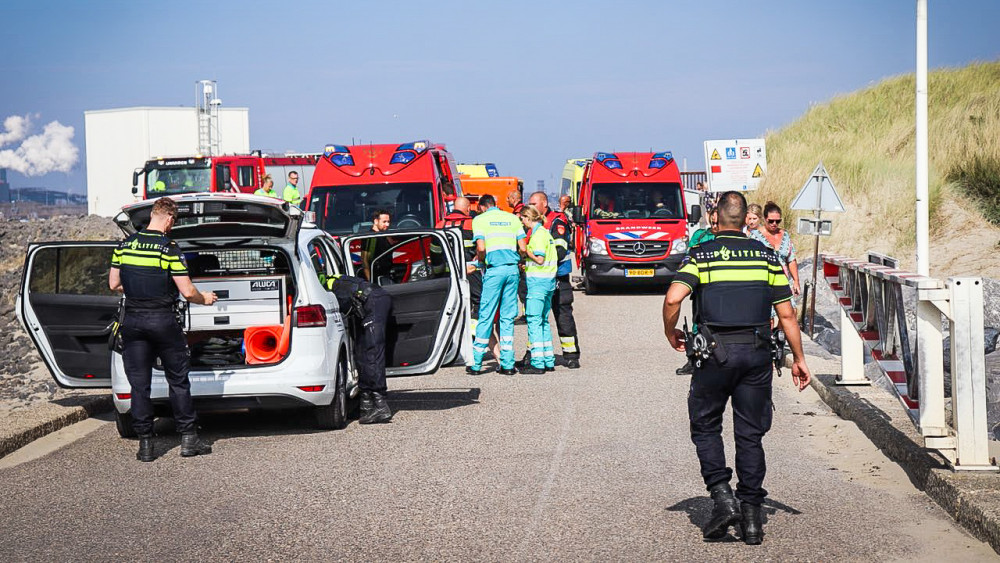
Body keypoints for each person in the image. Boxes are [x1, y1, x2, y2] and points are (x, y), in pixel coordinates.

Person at [662, 191, 812, 545]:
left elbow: (673, 298)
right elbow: (787, 314)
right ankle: (751, 517)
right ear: (747, 219)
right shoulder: (766, 257)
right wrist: (799, 359)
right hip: (757, 354)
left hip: (713, 355)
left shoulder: (700, 255)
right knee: (750, 434)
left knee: (706, 425)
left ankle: (721, 495)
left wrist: (671, 332)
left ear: (717, 218)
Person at [108, 197, 218, 462]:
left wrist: (137, 290)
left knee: (139, 385)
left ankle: (146, 445)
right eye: (173, 223)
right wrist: (206, 298)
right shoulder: (168, 249)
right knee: (178, 381)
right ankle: (188, 440)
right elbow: (187, 291)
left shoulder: (125, 246)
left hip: (133, 323)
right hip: (163, 322)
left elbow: (114, 284)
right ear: (169, 219)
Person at [518, 191, 581, 369]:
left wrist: (540, 264)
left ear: (544, 204)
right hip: (541, 277)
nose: (530, 207)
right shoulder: (531, 225)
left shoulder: (556, 221)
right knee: (537, 318)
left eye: (534, 203)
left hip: (557, 276)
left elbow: (560, 250)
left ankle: (571, 355)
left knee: (563, 315)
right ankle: (533, 354)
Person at [467, 194, 526, 375]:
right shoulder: (512, 219)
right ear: (495, 204)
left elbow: (482, 248)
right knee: (507, 318)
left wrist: (480, 262)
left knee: (486, 315)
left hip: (494, 271)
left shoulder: (480, 219)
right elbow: (523, 248)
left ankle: (476, 364)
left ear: (482, 207)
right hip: (512, 271)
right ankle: (507, 364)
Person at [325, 274, 393, 424]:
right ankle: (366, 405)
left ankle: (380, 404)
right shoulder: (336, 282)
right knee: (361, 353)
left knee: (371, 352)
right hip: (370, 300)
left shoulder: (327, 290)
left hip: (373, 301)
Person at [674, 209, 720, 376]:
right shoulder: (700, 235)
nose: (715, 226)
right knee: (696, 323)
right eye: (713, 223)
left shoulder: (725, 238)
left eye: (718, 223)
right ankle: (692, 360)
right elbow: (689, 256)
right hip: (700, 288)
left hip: (718, 287)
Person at [518, 206, 558, 374]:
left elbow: (540, 259)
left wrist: (526, 251)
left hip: (538, 284)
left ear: (528, 218)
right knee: (543, 321)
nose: (522, 222)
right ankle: (548, 360)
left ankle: (537, 363)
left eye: (522, 219)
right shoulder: (545, 233)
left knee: (534, 321)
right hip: (548, 283)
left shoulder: (538, 235)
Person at [748, 201, 801, 326]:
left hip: (782, 281)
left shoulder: (785, 235)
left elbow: (791, 258)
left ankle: (779, 336)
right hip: (763, 282)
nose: (774, 224)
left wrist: (796, 281)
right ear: (764, 219)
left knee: (792, 312)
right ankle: (768, 340)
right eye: (771, 221)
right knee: (768, 317)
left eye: (778, 221)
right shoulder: (754, 236)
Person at [443, 197, 482, 335]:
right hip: (470, 270)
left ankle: (452, 334)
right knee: (478, 300)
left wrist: (438, 271)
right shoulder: (472, 223)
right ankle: (473, 335)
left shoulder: (440, 223)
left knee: (450, 303)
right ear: (468, 208)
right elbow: (480, 247)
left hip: (448, 272)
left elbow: (435, 252)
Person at [361, 209, 392, 281]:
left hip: (385, 275)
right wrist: (371, 282)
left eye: (388, 222)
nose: (387, 224)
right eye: (384, 222)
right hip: (376, 277)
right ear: (376, 221)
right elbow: (365, 262)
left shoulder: (384, 234)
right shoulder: (371, 237)